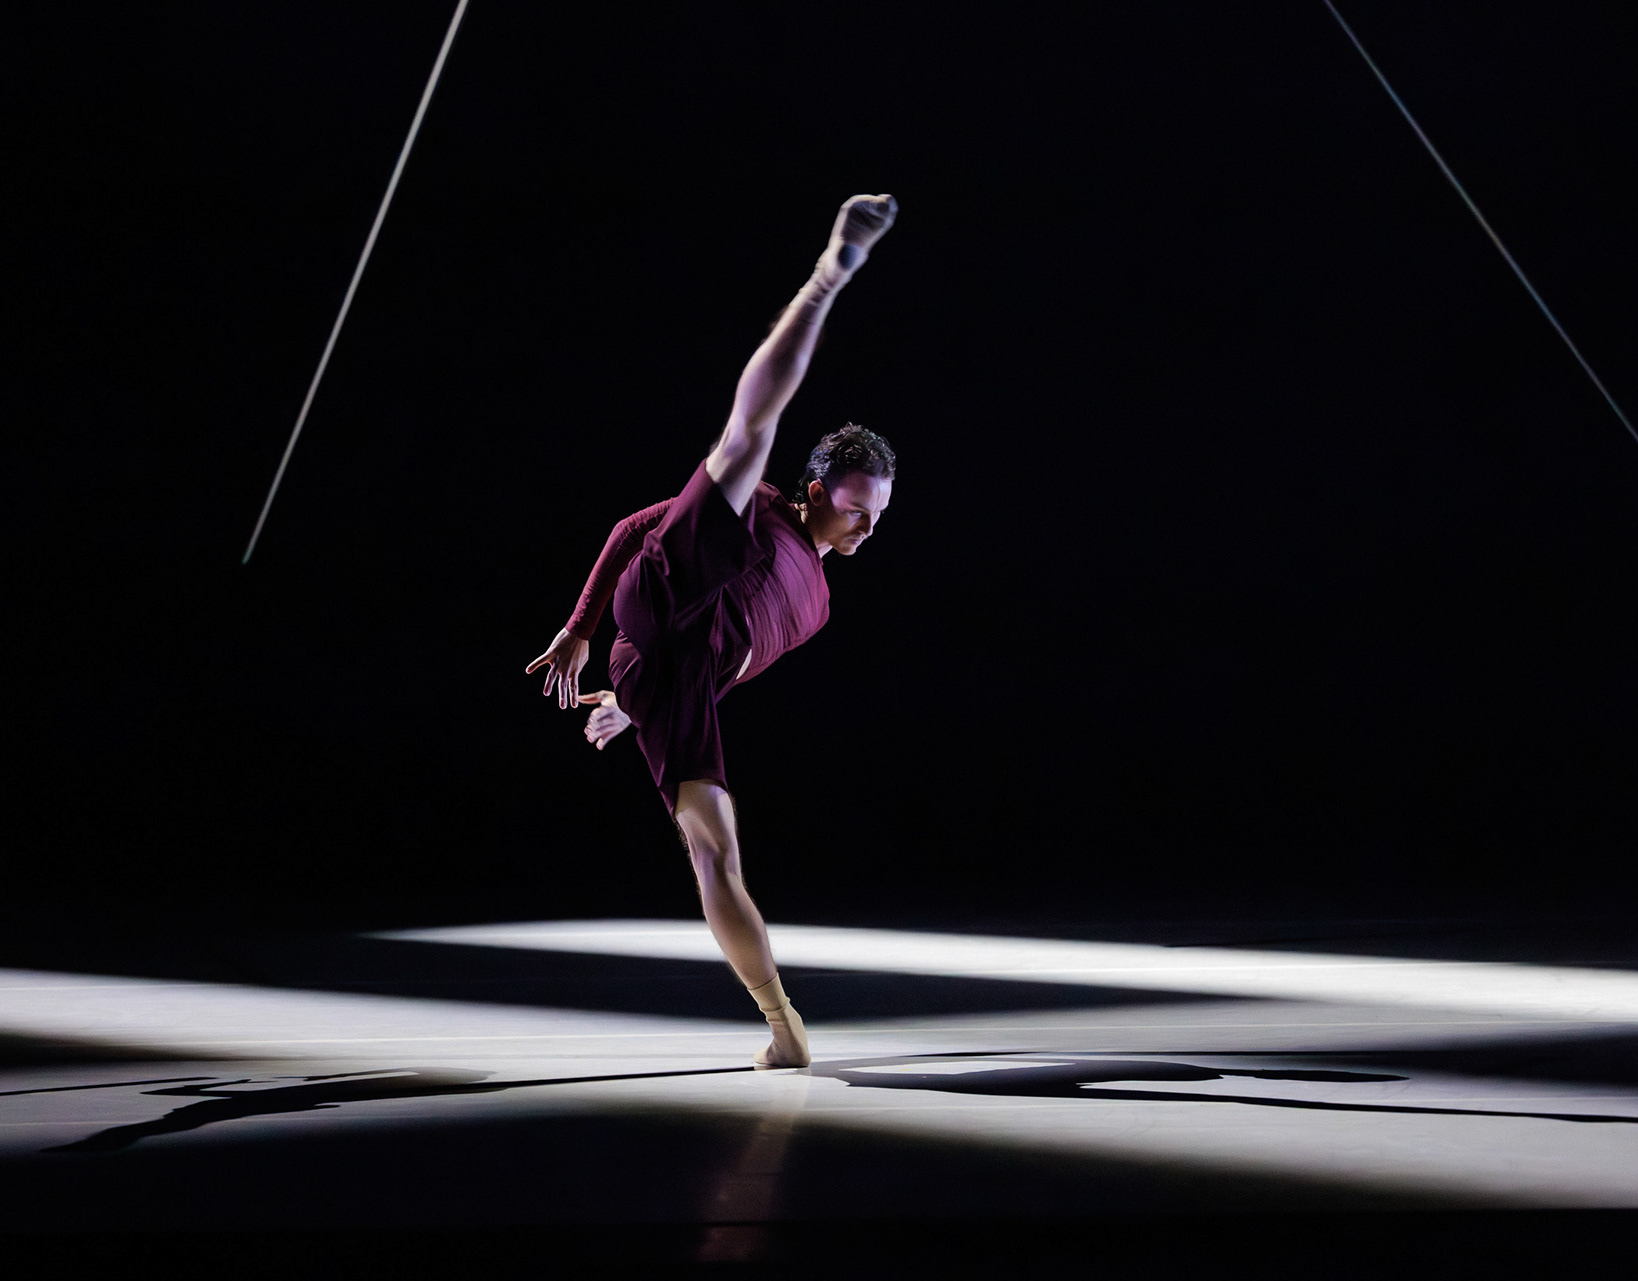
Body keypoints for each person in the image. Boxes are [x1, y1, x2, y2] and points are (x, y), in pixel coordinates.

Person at [525, 194, 899, 1068]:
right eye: (856, 509)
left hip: (674, 677)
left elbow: (725, 660)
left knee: (716, 855)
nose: (867, 529)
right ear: (818, 493)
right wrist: (580, 626)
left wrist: (633, 700)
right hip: (675, 582)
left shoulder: (819, 604)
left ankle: (783, 1028)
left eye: (879, 516)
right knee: (746, 436)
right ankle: (829, 275)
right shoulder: (770, 505)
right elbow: (631, 529)